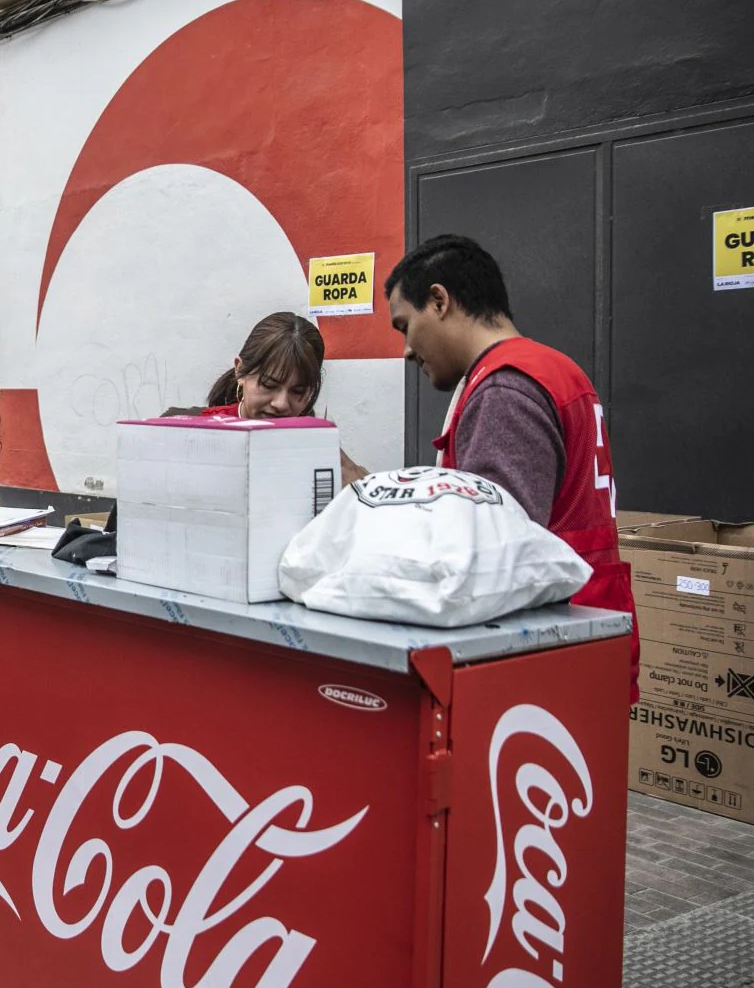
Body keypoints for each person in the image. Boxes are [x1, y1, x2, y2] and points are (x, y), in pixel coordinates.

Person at [384, 234, 638, 697]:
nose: (406, 349)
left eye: (405, 325)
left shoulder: (505, 391)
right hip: (581, 631)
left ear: (439, 301)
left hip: (545, 654)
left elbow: (492, 559)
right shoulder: (551, 367)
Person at [201, 312, 368, 484]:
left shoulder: (317, 445)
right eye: (269, 385)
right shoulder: (204, 434)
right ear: (240, 371)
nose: (281, 404)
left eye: (297, 391)